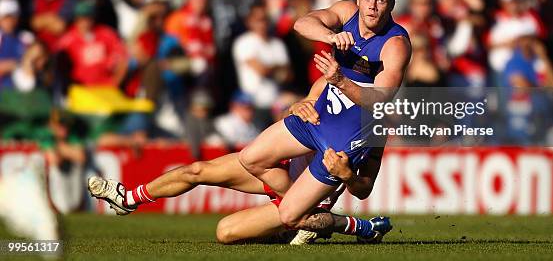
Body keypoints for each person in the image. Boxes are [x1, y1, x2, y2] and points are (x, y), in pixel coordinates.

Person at [87, 76, 385, 245]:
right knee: (197, 170)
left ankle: (352, 226)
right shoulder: (329, 82)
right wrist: (296, 107)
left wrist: (347, 175)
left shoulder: (376, 126)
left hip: (305, 194)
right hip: (278, 169)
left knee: (226, 233)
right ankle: (127, 199)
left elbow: (363, 189)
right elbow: (297, 113)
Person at [237, 0, 411, 241]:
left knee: (288, 217)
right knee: (250, 158)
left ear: (391, 5)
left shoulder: (395, 44)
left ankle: (316, 213)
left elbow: (379, 100)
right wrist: (330, 36)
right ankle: (314, 207)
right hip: (323, 112)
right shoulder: (345, 12)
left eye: (380, 1)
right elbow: (302, 23)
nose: (372, 7)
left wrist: (339, 79)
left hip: (351, 129)